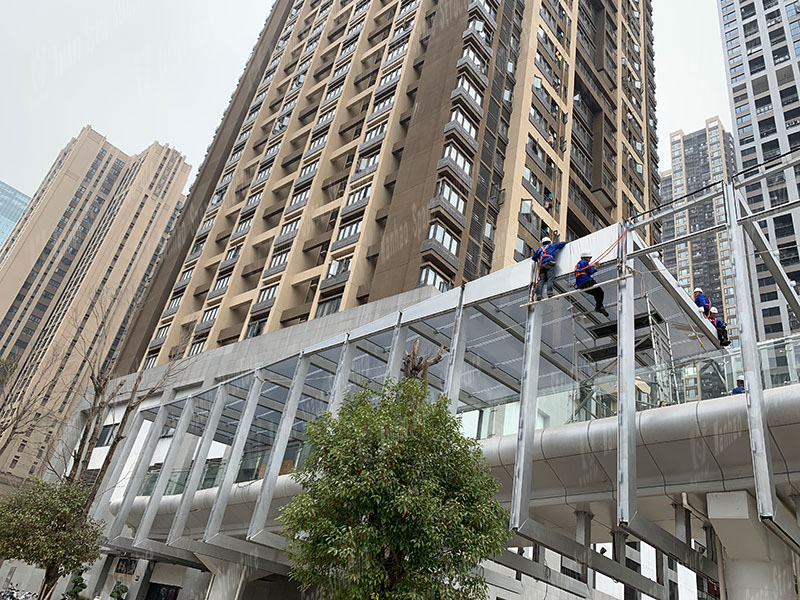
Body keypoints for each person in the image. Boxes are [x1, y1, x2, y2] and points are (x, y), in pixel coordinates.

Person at [574, 251, 610, 317]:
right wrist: (595, 267)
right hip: (587, 282)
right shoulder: (584, 262)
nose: (590, 259)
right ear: (585, 258)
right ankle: (598, 307)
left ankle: (600, 307)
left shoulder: (578, 265)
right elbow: (590, 272)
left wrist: (592, 265)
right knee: (600, 293)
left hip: (581, 285)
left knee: (596, 294)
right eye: (589, 258)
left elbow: (585, 270)